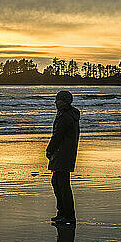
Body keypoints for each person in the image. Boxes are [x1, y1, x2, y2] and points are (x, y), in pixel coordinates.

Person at [46, 90, 80, 223]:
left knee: (62, 185)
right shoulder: (70, 114)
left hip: (62, 154)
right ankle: (63, 213)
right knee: (58, 183)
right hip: (66, 153)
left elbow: (57, 136)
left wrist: (49, 150)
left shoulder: (65, 116)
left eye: (58, 100)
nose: (55, 102)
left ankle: (68, 215)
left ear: (65, 101)